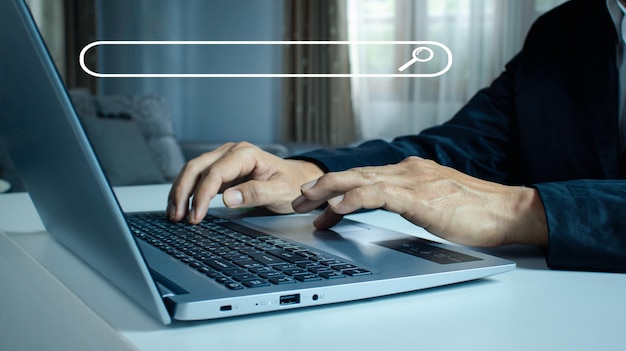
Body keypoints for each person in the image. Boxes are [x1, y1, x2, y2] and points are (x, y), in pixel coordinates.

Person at [168, 0, 626, 273]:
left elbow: (502, 197)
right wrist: (312, 174)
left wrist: (524, 211)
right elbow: (458, 148)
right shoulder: (567, 27)